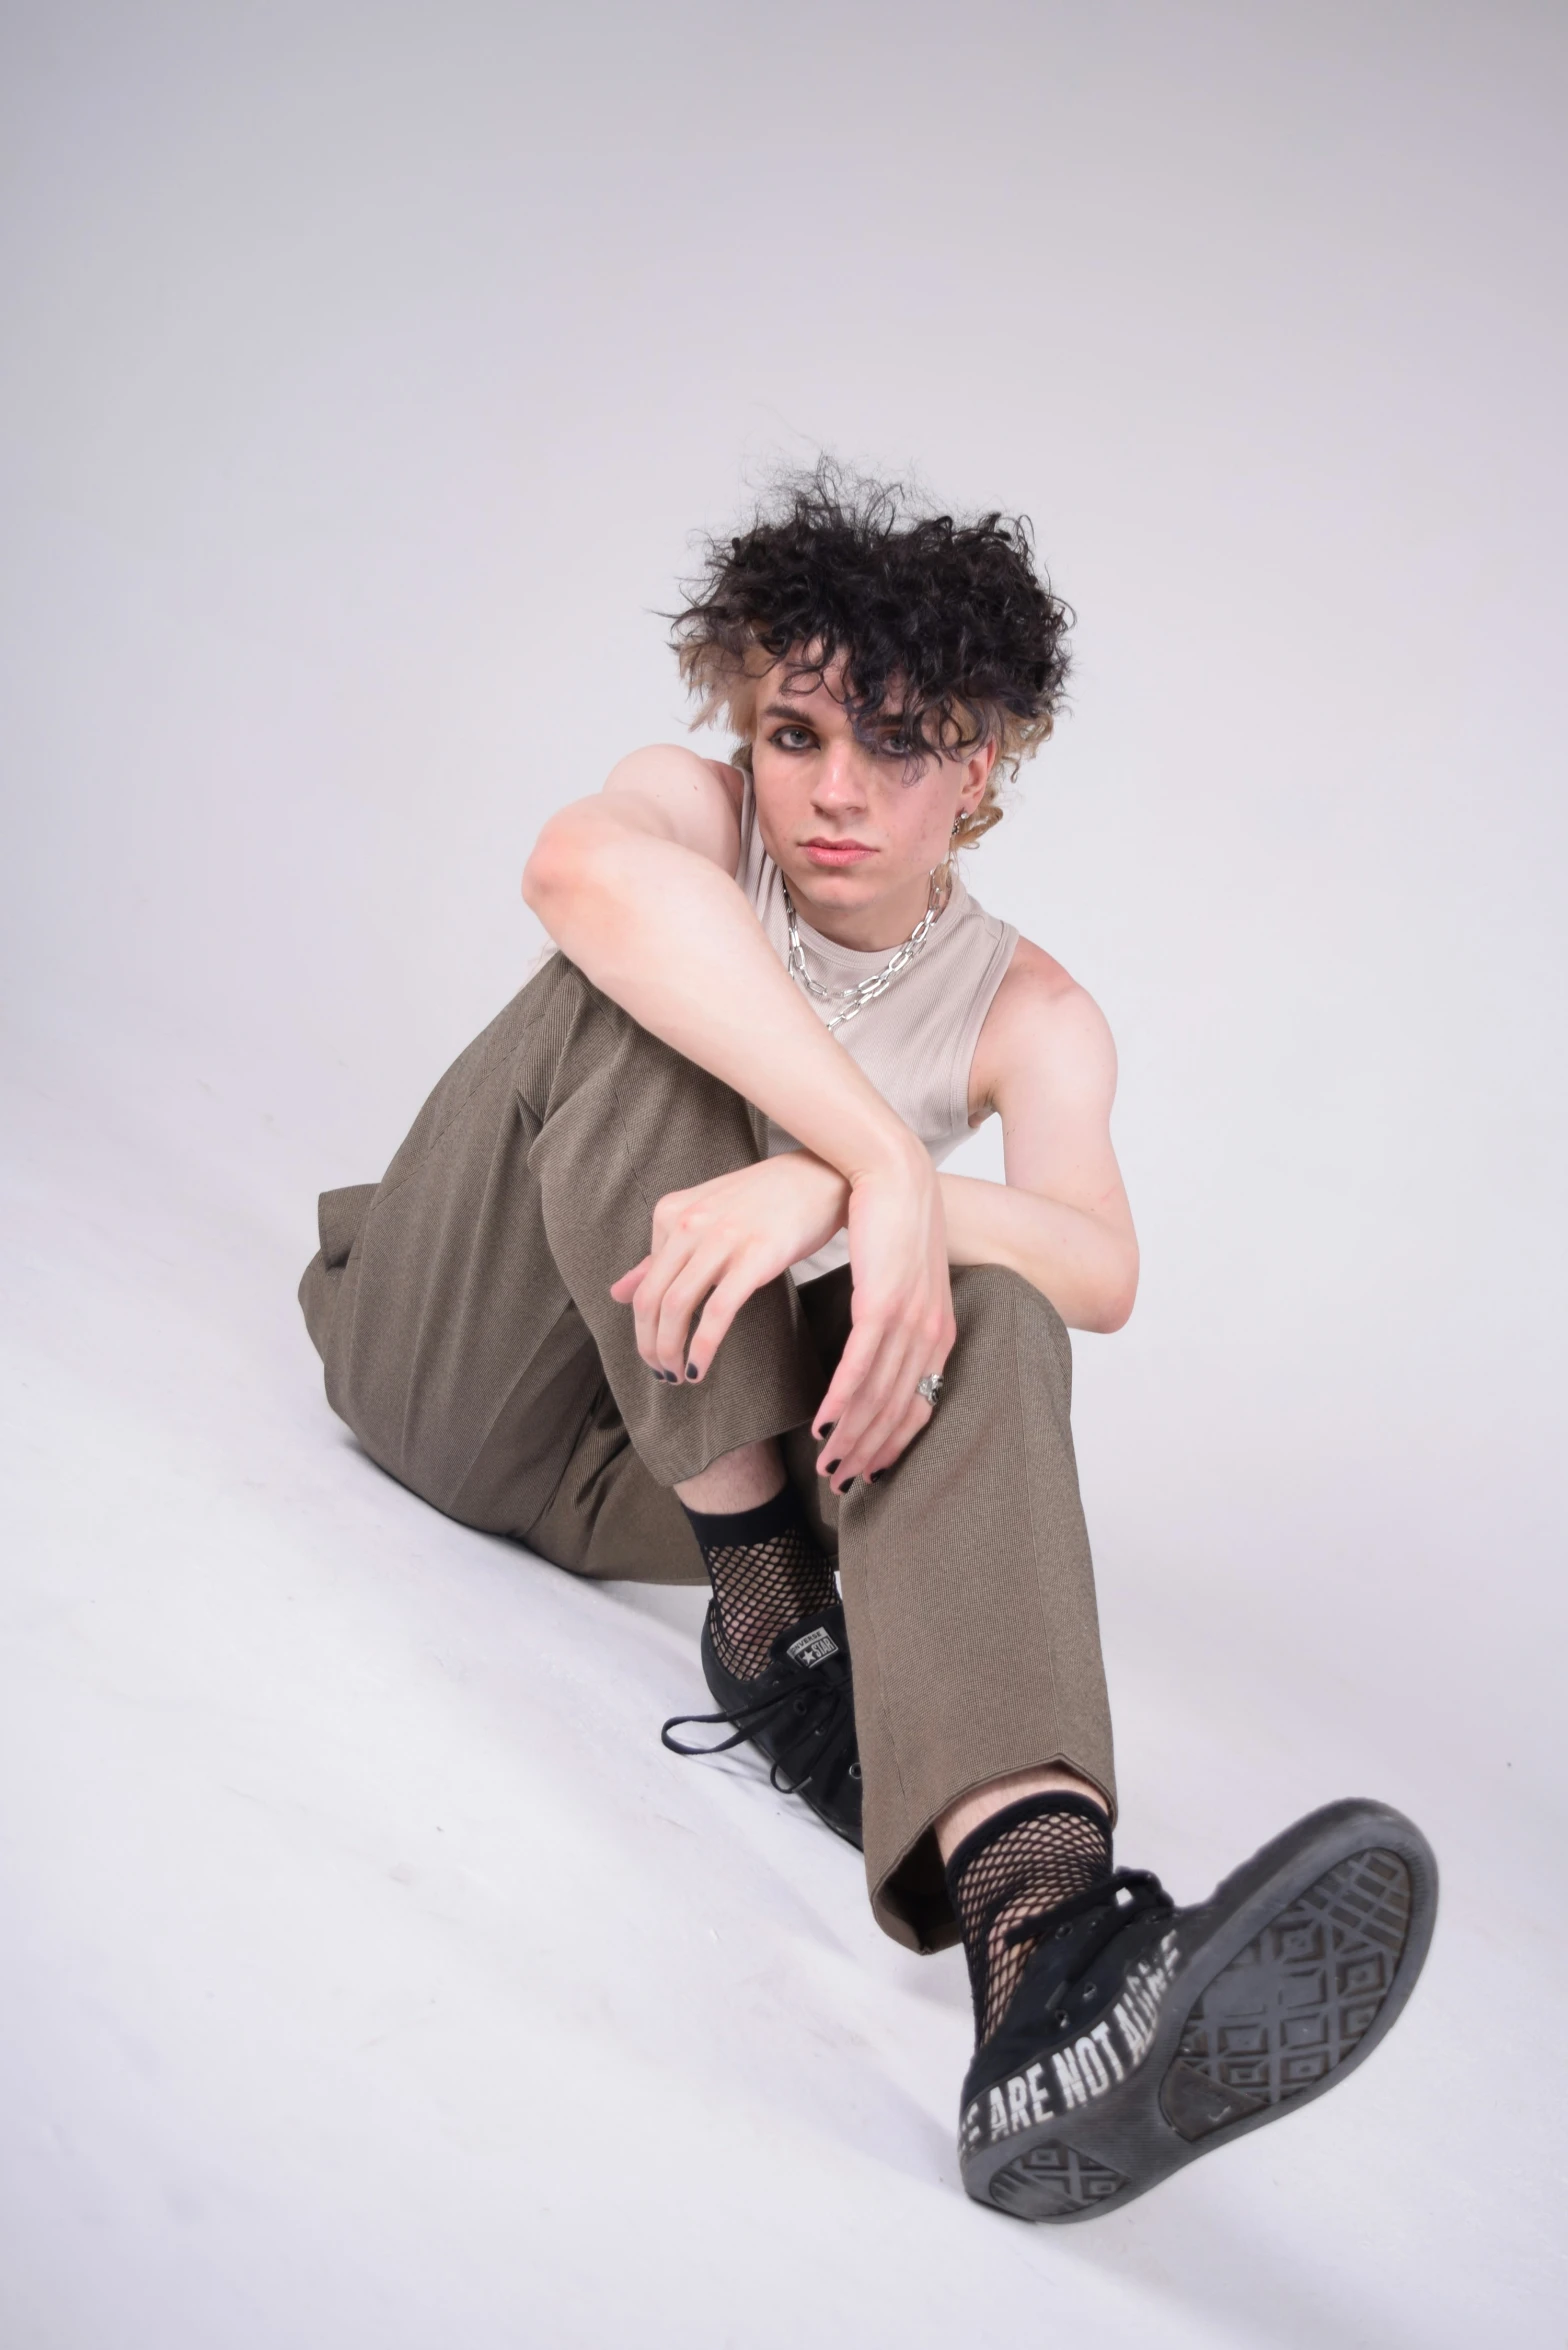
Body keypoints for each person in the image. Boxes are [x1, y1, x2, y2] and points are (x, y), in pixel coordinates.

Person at [299, 468, 1435, 2222]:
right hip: (459, 1346)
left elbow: (1098, 1264)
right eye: (798, 730)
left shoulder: (1031, 1010)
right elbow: (576, 872)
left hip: (659, 1439)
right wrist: (883, 1164)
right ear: (743, 728)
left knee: (989, 1307)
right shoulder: (697, 816)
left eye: (899, 744)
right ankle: (768, 1615)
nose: (834, 790)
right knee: (644, 994)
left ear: (982, 765)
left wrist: (853, 1218)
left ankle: (1046, 1974)